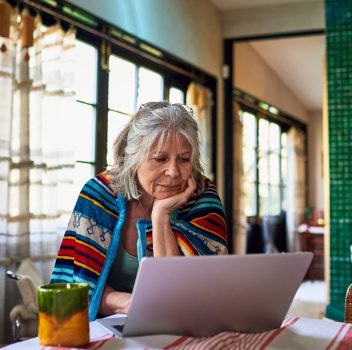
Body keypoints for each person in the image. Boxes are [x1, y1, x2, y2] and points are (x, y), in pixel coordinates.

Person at [50, 102, 228, 321]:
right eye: (160, 158)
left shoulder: (203, 199)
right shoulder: (98, 195)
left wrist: (161, 216)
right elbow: (78, 285)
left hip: (182, 327)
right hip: (103, 324)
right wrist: (128, 303)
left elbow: (186, 296)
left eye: (184, 159)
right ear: (132, 158)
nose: (173, 172)